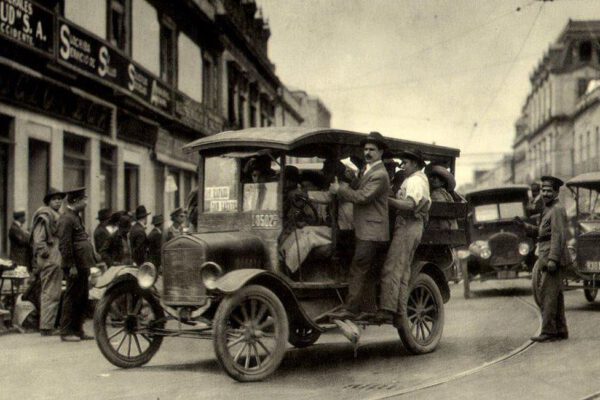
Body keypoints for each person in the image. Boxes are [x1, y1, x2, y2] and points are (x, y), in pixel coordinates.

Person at [328, 131, 390, 319]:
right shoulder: (367, 170)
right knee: (367, 270)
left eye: (372, 149)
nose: (367, 153)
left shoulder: (379, 174)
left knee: (358, 267)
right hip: (367, 229)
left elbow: (363, 197)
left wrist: (340, 190)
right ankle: (368, 309)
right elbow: (356, 188)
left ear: (380, 152)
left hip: (373, 231)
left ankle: (351, 308)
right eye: (365, 149)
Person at [376, 149, 431, 324]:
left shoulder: (415, 180)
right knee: (403, 270)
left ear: (415, 164)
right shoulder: (414, 179)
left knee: (393, 267)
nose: (402, 166)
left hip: (408, 224)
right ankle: (400, 312)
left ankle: (388, 309)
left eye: (405, 163)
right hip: (410, 226)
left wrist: (385, 200)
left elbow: (409, 204)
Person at [518, 176, 570, 342]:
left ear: (556, 192)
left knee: (547, 294)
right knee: (556, 295)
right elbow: (543, 234)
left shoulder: (556, 209)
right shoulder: (548, 209)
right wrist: (524, 227)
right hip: (547, 256)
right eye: (543, 190)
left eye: (549, 190)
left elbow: (558, 236)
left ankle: (548, 331)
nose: (545, 193)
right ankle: (561, 330)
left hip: (551, 258)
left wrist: (553, 259)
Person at [57, 187, 95, 342]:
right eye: (83, 200)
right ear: (74, 201)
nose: (86, 203)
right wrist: (71, 265)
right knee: (71, 297)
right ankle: (66, 331)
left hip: (81, 264)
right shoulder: (66, 218)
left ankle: (78, 329)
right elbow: (65, 244)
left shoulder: (75, 216)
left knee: (82, 297)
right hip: (74, 266)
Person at [31, 188, 65, 336]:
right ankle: (46, 327)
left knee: (54, 292)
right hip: (50, 258)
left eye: (59, 199)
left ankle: (48, 325)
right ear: (48, 201)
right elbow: (39, 239)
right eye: (54, 199)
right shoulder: (44, 215)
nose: (58, 201)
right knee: (50, 292)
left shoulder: (55, 214)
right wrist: (47, 254)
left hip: (56, 257)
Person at [425, 164, 458, 231]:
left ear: (442, 182)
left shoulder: (436, 194)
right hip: (452, 227)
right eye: (431, 177)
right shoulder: (446, 193)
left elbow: (440, 209)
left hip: (441, 228)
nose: (432, 180)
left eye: (435, 178)